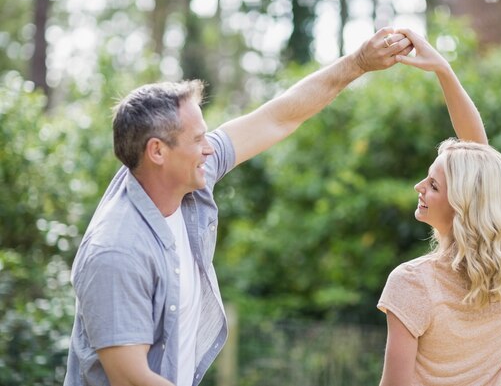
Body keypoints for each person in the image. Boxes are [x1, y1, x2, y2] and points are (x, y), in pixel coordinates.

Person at [63, 28, 412, 386]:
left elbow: (277, 118)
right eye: (198, 139)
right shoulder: (116, 250)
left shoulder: (182, 175)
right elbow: (131, 378)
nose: (210, 148)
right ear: (157, 151)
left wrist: (357, 63)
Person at [377, 29, 501, 386]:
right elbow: (483, 166)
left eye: (433, 185)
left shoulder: (411, 283)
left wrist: (444, 69)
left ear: (462, 206)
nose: (419, 187)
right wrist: (443, 71)